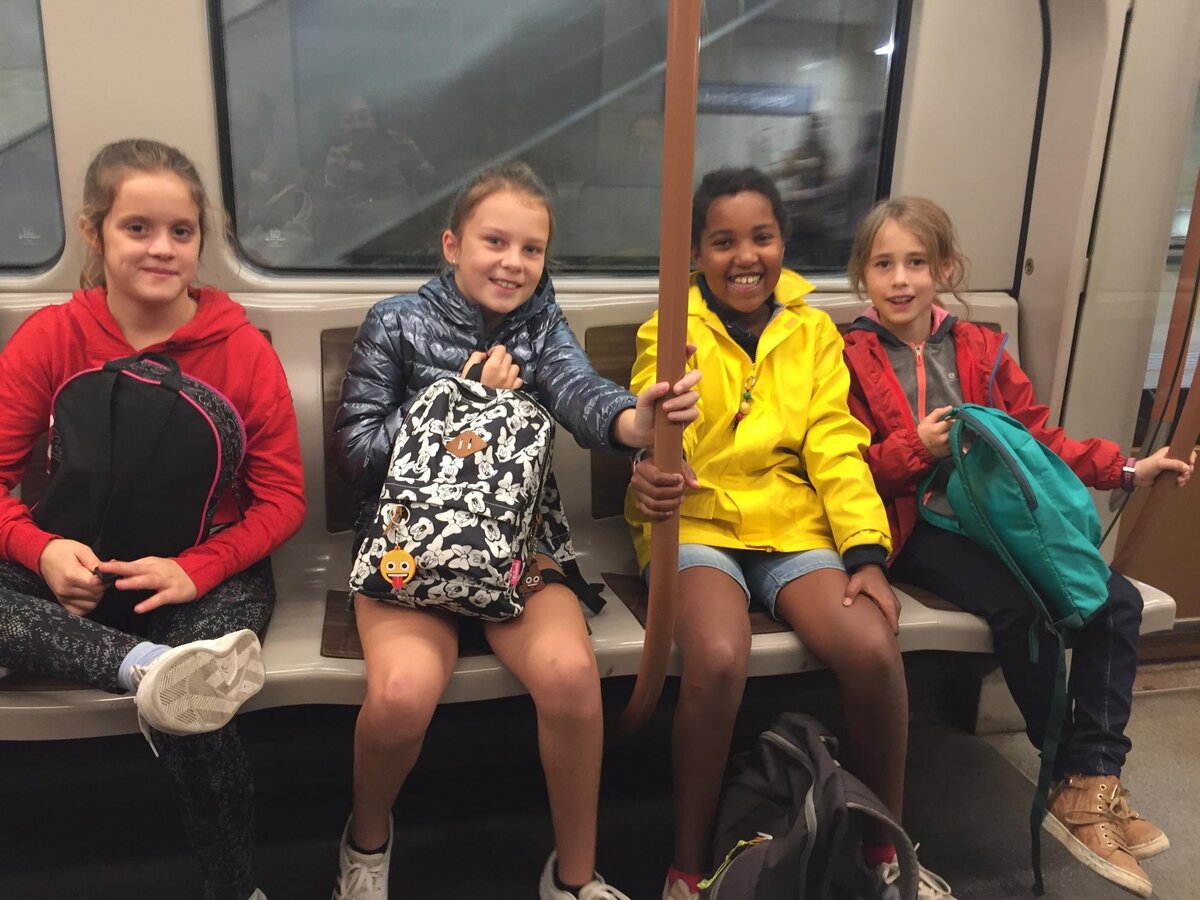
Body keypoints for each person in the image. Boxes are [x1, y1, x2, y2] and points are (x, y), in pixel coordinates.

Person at [331, 160, 701, 900]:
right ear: (452, 245)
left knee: (569, 676)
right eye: (495, 241)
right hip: (410, 542)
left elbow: (580, 394)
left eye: (531, 249)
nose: (513, 263)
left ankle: (573, 877)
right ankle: (366, 844)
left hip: (518, 543)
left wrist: (636, 423)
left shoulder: (542, 326)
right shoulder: (395, 322)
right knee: (402, 694)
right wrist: (460, 396)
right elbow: (356, 453)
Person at [841, 196, 1193, 899]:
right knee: (1022, 609)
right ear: (863, 277)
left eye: (917, 262)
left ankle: (1093, 779)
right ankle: (1064, 773)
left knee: (1115, 602)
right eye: (884, 265)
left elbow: (1038, 440)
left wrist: (1126, 468)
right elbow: (846, 467)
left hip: (995, 514)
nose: (901, 279)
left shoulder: (980, 348)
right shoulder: (848, 356)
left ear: (945, 269)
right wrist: (919, 447)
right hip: (914, 524)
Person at [625, 168, 954, 900]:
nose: (745, 256)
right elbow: (657, 428)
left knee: (872, 648)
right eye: (723, 242)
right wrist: (653, 457)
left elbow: (835, 445)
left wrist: (865, 553)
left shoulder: (812, 333)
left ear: (783, 243)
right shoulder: (671, 327)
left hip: (790, 522)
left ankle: (882, 849)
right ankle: (688, 869)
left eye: (762, 238)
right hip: (699, 517)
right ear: (697, 254)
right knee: (717, 656)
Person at [0, 138, 306, 900]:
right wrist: (41, 550)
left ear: (201, 240)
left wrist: (194, 570)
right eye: (137, 228)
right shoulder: (52, 338)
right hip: (78, 571)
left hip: (203, 571)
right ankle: (141, 668)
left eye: (181, 231)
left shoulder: (241, 351)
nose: (162, 248)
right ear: (93, 232)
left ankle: (234, 888)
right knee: (187, 683)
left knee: (196, 711)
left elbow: (281, 499)